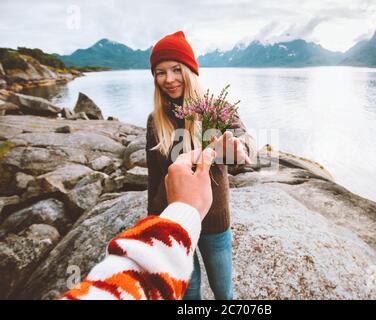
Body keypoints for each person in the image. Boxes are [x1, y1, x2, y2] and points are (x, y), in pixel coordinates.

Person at [147, 30, 255, 300]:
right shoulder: (155, 121)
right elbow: (154, 178)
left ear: (189, 70)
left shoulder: (215, 109)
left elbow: (244, 138)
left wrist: (239, 149)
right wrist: (154, 221)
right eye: (160, 72)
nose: (169, 79)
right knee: (189, 293)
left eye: (175, 69)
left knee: (223, 292)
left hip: (214, 221)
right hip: (174, 223)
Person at [61, 148, 216, 300]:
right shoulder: (156, 125)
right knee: (192, 287)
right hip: (175, 215)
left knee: (220, 285)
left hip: (208, 222)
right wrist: (182, 209)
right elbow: (154, 176)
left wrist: (227, 149)